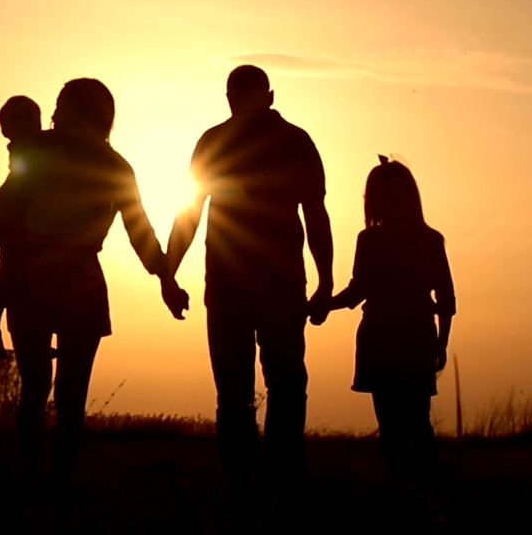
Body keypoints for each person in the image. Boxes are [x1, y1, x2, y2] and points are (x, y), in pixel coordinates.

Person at [0, 78, 187, 483]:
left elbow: (2, 210)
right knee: (72, 396)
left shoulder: (37, 149)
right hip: (82, 281)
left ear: (75, 109)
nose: (53, 113)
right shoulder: (117, 166)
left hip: (30, 277)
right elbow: (140, 232)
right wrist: (166, 279)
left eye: (59, 105)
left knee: (34, 390)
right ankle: (63, 480)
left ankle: (28, 477)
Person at [164, 65, 333, 498]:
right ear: (270, 96)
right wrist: (326, 279)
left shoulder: (213, 141)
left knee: (234, 390)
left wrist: (169, 273)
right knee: (287, 385)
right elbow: (315, 215)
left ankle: (240, 484)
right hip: (281, 283)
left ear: (228, 98)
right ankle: (282, 482)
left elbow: (190, 213)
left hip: (226, 285)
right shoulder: (297, 140)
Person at [320, 156, 455, 484]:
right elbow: (446, 301)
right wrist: (441, 343)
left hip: (380, 337)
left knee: (391, 424)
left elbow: (357, 292)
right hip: (418, 336)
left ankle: (402, 487)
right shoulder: (430, 239)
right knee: (418, 420)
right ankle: (425, 487)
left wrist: (323, 306)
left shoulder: (369, 240)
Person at [0, 95, 42, 360]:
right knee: (3, 284)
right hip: (18, 233)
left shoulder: (29, 150)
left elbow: (17, 186)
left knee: (4, 283)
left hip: (23, 233)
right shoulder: (28, 150)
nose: (9, 139)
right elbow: (15, 183)